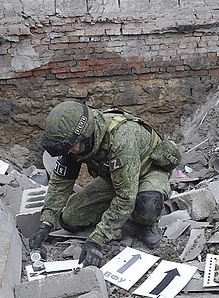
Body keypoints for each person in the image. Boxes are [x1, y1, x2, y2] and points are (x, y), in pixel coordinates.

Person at [28, 101, 181, 266]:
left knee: (148, 205)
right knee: (70, 219)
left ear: (86, 137)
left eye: (71, 147)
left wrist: (97, 239)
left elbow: (124, 198)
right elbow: (60, 183)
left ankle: (146, 224)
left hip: (148, 172)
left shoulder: (122, 139)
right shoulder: (73, 143)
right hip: (115, 178)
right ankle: (119, 216)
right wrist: (46, 223)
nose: (68, 152)